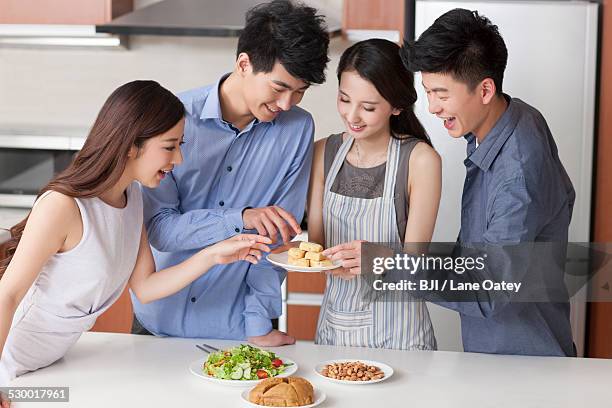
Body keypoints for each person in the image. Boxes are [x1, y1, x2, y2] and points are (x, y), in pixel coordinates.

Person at [0, 80, 271, 390]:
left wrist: (214, 254)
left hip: (50, 365)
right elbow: (6, 294)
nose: (178, 160)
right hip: (8, 366)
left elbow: (145, 287)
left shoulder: (133, 198)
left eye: (180, 146)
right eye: (169, 147)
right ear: (131, 145)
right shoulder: (64, 207)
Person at [134, 0, 329, 346]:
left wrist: (257, 323)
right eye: (280, 87)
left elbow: (278, 239)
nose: (286, 104)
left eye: (299, 92)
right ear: (244, 64)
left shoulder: (297, 128)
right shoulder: (176, 120)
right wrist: (241, 219)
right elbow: (160, 230)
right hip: (157, 322)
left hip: (238, 329)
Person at [392, 8, 575, 356]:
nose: (432, 107)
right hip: (498, 351)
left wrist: (389, 266)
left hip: (526, 361)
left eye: (442, 94)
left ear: (486, 89)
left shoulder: (517, 169)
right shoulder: (514, 117)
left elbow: (488, 288)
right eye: (428, 92)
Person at [308, 39, 441, 350]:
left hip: (401, 335)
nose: (352, 116)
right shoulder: (323, 153)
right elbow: (316, 247)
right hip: (336, 331)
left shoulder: (421, 160)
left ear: (396, 106)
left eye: (368, 107)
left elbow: (417, 267)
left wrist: (382, 260)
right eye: (344, 99)